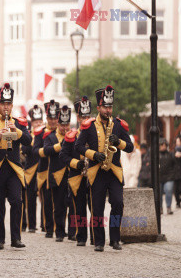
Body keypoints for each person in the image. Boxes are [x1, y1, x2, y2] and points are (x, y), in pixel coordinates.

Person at [75, 85, 134, 252]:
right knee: (97, 208)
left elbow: (130, 147)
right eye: (105, 107)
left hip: (114, 170)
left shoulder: (118, 125)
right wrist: (94, 155)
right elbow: (78, 146)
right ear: (99, 107)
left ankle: (115, 239)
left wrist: (119, 142)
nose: (108, 110)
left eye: (110, 107)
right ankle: (99, 241)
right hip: (96, 171)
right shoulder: (89, 126)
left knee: (118, 203)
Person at [0, 83, 32, 250]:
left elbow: (28, 140)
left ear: (12, 105)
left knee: (17, 202)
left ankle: (16, 238)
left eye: (8, 104)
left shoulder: (19, 123)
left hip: (14, 170)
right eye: (3, 104)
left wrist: (16, 130)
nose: (6, 107)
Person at [59, 96, 92, 246]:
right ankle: (81, 237)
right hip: (76, 176)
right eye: (82, 116)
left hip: (93, 175)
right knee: (79, 208)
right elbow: (63, 155)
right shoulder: (71, 136)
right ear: (78, 118)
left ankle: (96, 237)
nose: (85, 119)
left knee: (95, 208)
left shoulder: (95, 135)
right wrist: (75, 164)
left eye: (87, 116)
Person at [44, 106, 71, 242]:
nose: (64, 128)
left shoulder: (74, 136)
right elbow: (46, 150)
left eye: (67, 125)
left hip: (72, 174)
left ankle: (72, 232)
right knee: (59, 206)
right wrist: (60, 145)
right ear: (58, 124)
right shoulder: (51, 137)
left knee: (71, 205)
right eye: (62, 125)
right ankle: (59, 232)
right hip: (56, 175)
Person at [33, 100, 59, 237]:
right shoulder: (40, 133)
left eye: (55, 118)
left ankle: (60, 227)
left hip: (61, 170)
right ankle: (48, 228)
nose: (53, 121)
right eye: (50, 118)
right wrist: (48, 150)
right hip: (45, 172)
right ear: (46, 118)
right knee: (47, 202)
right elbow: (35, 150)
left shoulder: (64, 132)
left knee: (61, 202)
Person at [21, 105, 43, 233]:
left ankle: (45, 225)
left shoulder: (44, 134)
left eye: (40, 121)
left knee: (44, 199)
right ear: (32, 122)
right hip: (30, 171)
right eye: (36, 122)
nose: (38, 124)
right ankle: (30, 224)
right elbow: (25, 150)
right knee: (29, 200)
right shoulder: (28, 135)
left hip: (43, 169)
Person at [159, 138, 175, 215]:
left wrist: (173, 175)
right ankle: (160, 208)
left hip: (169, 177)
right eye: (162, 145)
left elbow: (174, 165)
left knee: (168, 191)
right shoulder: (155, 155)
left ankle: (168, 207)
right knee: (159, 194)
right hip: (159, 177)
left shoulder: (170, 154)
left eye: (165, 145)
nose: (163, 147)